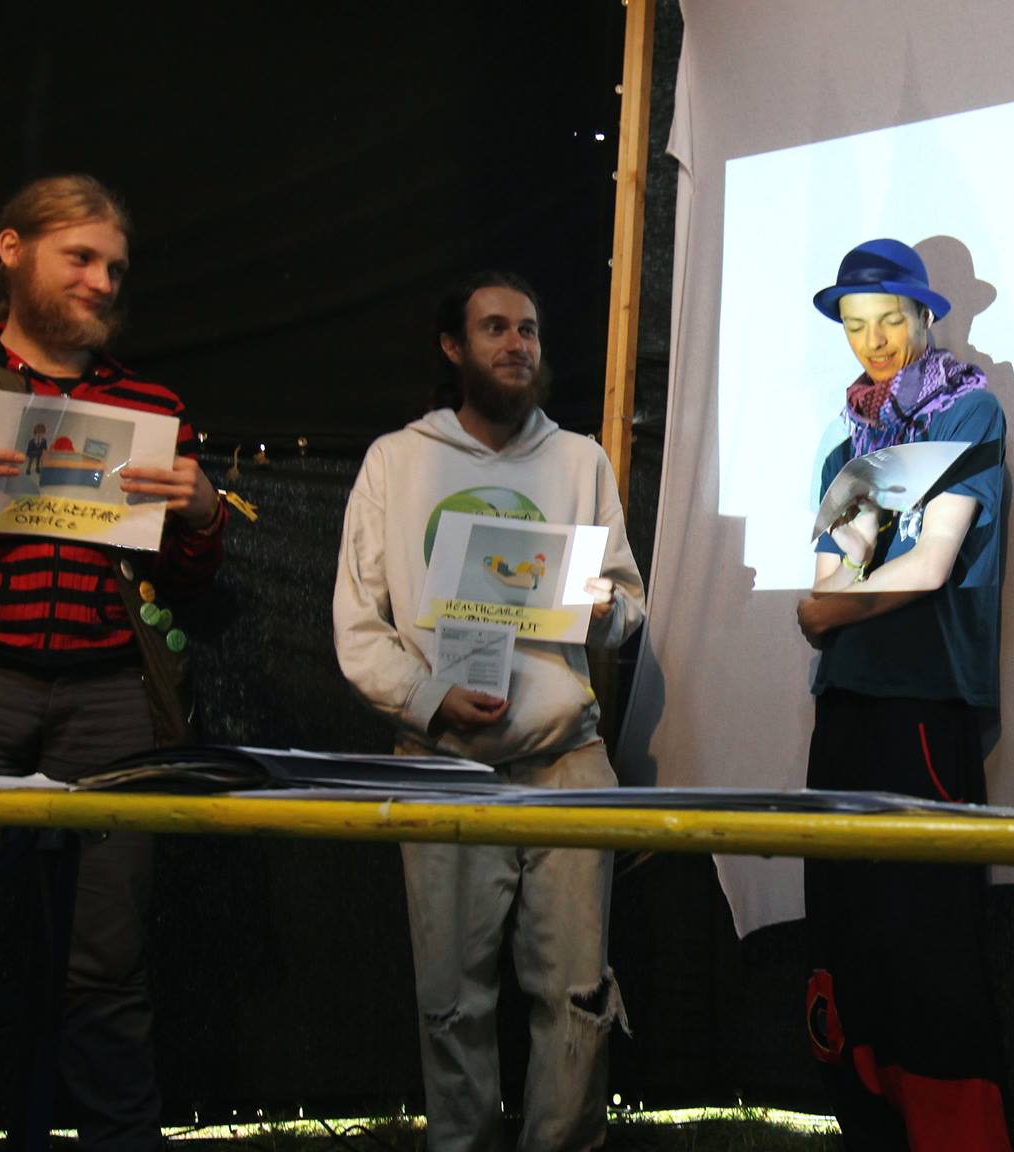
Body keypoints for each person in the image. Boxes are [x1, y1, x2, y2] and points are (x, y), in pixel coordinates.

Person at [0, 174, 226, 1150]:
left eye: (114, 267)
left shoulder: (151, 407)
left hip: (108, 698)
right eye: (81, 256)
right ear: (13, 250)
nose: (102, 281)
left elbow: (187, 585)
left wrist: (202, 516)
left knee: (108, 967)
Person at [332, 270, 642, 1152]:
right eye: (495, 328)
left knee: (577, 995)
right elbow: (358, 627)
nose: (517, 345)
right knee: (451, 1001)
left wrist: (599, 610)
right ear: (453, 346)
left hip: (564, 760)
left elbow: (627, 603)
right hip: (441, 765)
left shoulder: (580, 460)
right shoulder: (397, 461)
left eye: (529, 330)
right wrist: (429, 700)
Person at [795, 238, 1012, 1151]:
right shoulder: (850, 443)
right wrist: (827, 604)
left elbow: (925, 566)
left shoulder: (971, 411)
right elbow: (830, 577)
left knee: (928, 938)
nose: (874, 340)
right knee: (849, 933)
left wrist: (827, 607)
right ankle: (870, 1128)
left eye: (890, 320)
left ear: (926, 316)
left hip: (925, 703)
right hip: (847, 702)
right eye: (856, 325)